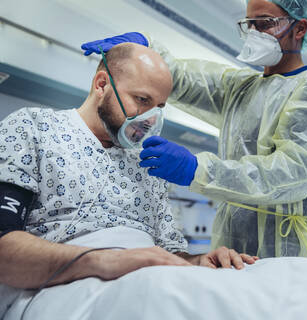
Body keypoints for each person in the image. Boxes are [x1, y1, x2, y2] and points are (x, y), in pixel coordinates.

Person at [0, 43, 257, 318]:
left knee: (269, 280)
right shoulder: (33, 128)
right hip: (65, 285)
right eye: (143, 100)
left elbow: (169, 253)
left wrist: (198, 260)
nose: (150, 119)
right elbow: (5, 251)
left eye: (160, 107)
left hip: (151, 277)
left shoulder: (147, 164)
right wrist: (109, 259)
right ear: (101, 85)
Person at [81, 0, 307, 262]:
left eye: (264, 24)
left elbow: (294, 174)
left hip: (290, 251)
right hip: (232, 249)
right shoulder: (241, 88)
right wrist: (146, 45)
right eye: (248, 24)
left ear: (299, 28)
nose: (253, 33)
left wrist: (196, 169)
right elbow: (181, 78)